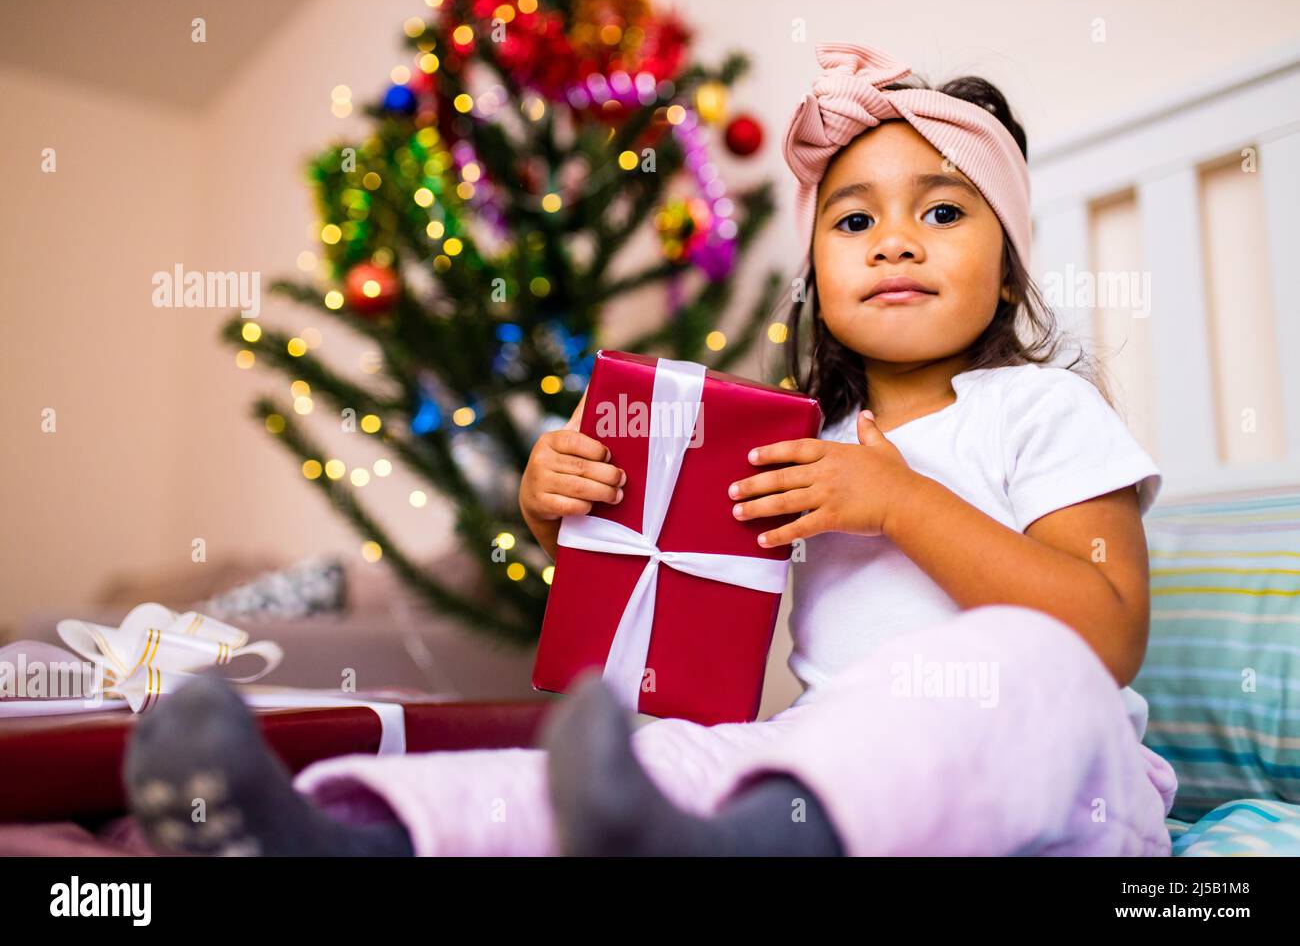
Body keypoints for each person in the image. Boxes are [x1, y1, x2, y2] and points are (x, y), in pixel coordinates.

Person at [123, 41, 1177, 857]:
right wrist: (560, 510)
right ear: (815, 278)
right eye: (852, 222)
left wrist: (901, 501)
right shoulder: (792, 444)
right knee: (660, 751)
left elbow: (1105, 634)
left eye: (942, 211)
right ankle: (345, 839)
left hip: (1066, 789)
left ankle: (730, 842)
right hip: (825, 762)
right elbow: (656, 594)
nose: (895, 239)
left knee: (1025, 663)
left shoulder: (1038, 407)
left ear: (1007, 271)